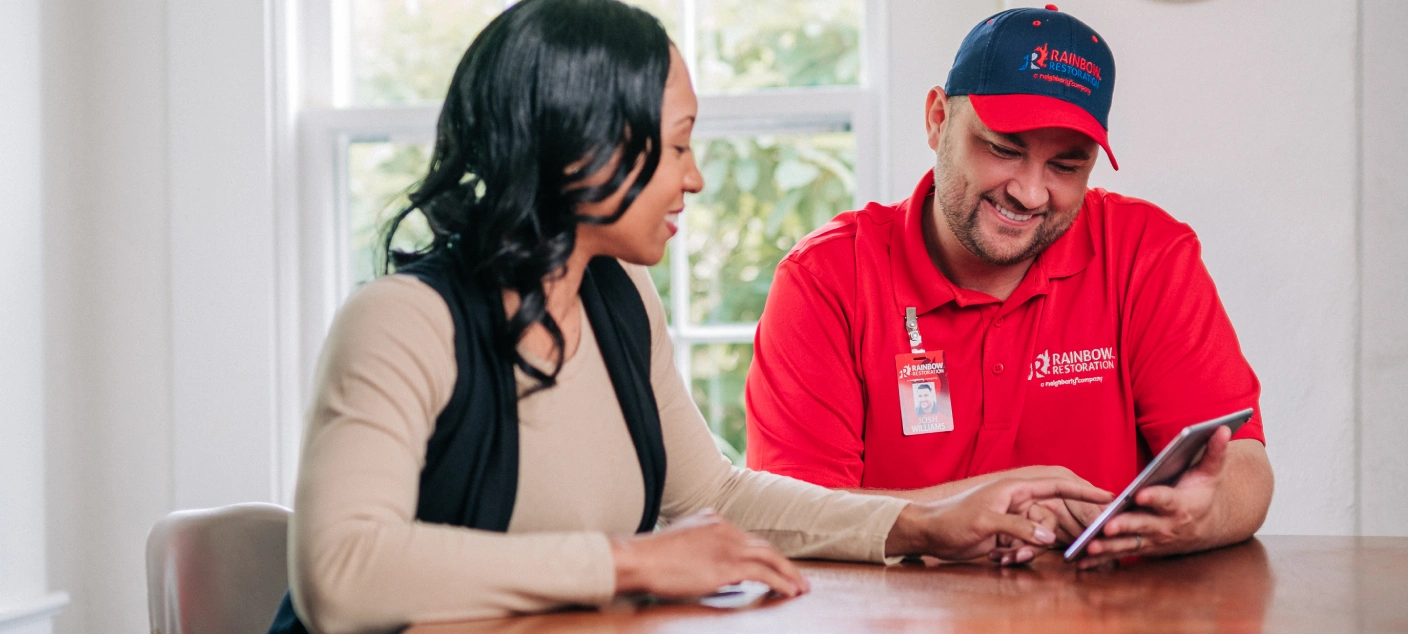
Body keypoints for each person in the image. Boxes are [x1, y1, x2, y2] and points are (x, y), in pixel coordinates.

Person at [268, 2, 1111, 632]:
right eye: (676, 146)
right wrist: (632, 563)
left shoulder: (620, 299)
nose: (695, 177)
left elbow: (713, 495)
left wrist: (921, 522)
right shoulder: (403, 322)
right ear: (580, 145)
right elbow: (340, 572)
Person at [744, 4, 1274, 570]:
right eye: (1003, 149)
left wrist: (1200, 516)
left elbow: (1245, 469)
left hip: (1108, 609)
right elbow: (791, 519)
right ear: (937, 120)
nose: (1030, 192)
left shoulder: (1147, 253)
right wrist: (968, 509)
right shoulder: (826, 278)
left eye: (1066, 166)